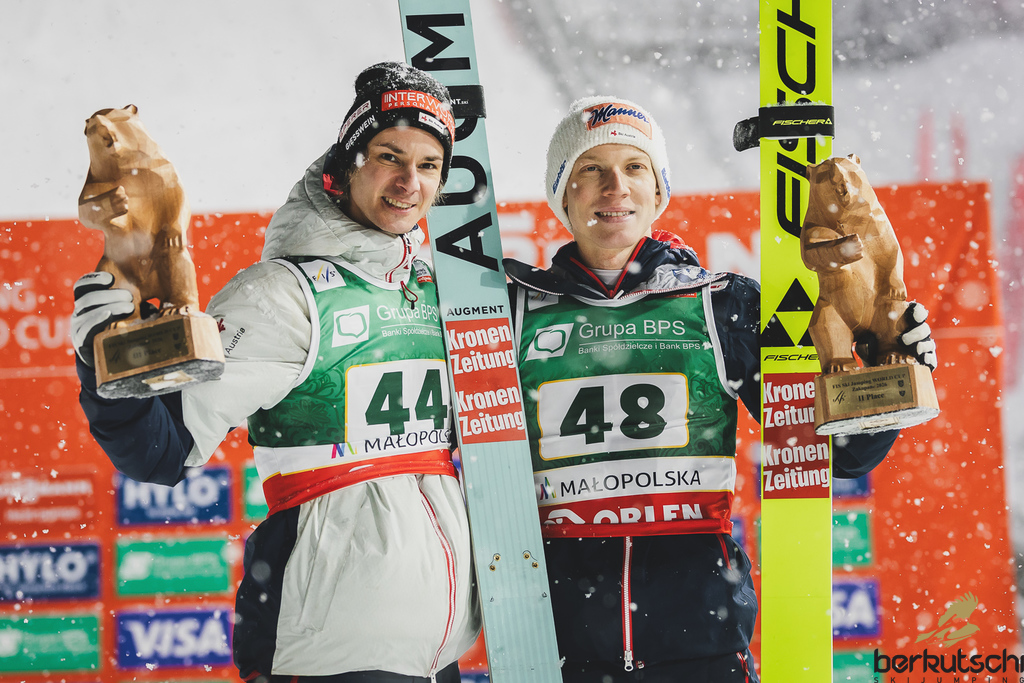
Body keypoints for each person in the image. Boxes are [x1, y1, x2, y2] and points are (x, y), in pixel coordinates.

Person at [503, 97, 937, 682]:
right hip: (556, 652)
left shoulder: (721, 303)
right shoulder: (515, 309)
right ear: (563, 192)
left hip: (701, 649)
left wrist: (888, 373)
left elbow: (837, 452)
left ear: (658, 189)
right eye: (591, 169)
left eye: (635, 167)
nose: (615, 187)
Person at [72, 62, 481, 683]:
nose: (409, 182)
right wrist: (104, 364)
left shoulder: (435, 290)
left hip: (441, 658)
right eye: (388, 157)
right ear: (347, 164)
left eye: (429, 165)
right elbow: (162, 450)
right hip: (327, 658)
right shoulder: (283, 296)